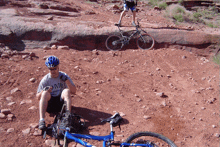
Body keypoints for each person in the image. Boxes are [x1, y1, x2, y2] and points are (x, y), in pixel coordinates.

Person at [36, 55, 76, 130]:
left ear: (58, 67)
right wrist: (43, 91)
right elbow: (38, 97)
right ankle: (41, 120)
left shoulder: (64, 76)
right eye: (50, 69)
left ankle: (67, 117)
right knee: (44, 93)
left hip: (61, 105)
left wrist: (67, 81)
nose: (53, 71)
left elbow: (74, 91)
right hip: (50, 105)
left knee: (66, 91)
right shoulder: (46, 79)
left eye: (55, 68)